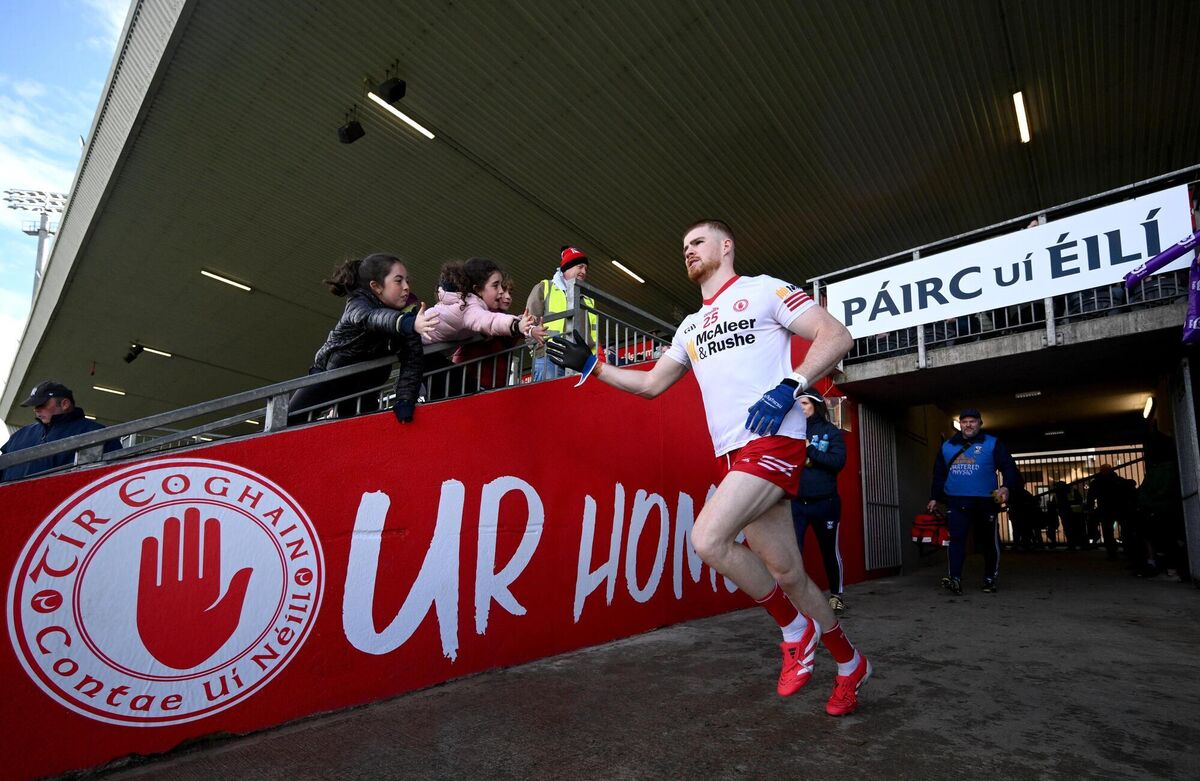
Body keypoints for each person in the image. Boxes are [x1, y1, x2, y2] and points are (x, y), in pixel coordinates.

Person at [547, 219, 871, 717]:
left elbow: (836, 335)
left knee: (707, 539)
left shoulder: (764, 291)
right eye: (683, 248)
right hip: (734, 455)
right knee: (790, 574)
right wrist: (593, 367)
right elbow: (652, 384)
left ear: (726, 246)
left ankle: (793, 630)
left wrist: (792, 384)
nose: (689, 252)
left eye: (697, 242)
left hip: (774, 440)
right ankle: (850, 665)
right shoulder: (691, 326)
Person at [289, 254, 437, 425]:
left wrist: (405, 401)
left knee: (361, 432)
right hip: (328, 377)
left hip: (365, 388)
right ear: (376, 286)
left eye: (407, 281)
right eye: (398, 281)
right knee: (287, 422)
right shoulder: (358, 304)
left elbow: (412, 360)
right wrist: (406, 323)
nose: (406, 287)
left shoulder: (409, 315)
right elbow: (372, 317)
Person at [927, 408, 1021, 594]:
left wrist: (1006, 486)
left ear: (980, 423)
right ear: (960, 424)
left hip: (985, 501)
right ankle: (955, 579)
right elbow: (939, 474)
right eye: (965, 421)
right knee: (956, 540)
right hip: (956, 501)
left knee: (988, 542)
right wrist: (935, 497)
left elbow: (1009, 467)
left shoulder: (992, 443)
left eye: (973, 421)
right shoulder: (947, 446)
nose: (968, 424)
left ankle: (989, 578)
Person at [788, 388, 849, 614]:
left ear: (815, 405)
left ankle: (836, 595)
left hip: (826, 503)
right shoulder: (791, 432)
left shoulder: (830, 431)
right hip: (797, 504)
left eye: (803, 403)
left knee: (829, 551)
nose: (800, 408)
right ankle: (796, 599)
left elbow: (837, 462)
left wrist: (810, 450)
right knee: (793, 552)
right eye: (798, 404)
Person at [1, 381, 121, 482]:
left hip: (67, 507)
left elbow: (113, 478)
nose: (36, 410)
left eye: (42, 404)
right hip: (13, 506)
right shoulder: (19, 435)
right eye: (34, 405)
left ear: (65, 404)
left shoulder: (96, 433)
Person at [526, 246, 597, 382]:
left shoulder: (588, 299)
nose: (584, 272)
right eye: (580, 267)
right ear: (567, 268)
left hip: (579, 361)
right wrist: (539, 352)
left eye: (585, 269)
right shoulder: (545, 287)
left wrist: (590, 359)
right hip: (549, 357)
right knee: (548, 400)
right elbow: (528, 321)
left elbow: (593, 334)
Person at [451, 274, 522, 391]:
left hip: (492, 380)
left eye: (510, 293)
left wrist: (524, 324)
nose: (508, 297)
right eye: (503, 291)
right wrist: (520, 325)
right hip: (474, 379)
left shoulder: (506, 319)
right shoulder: (484, 313)